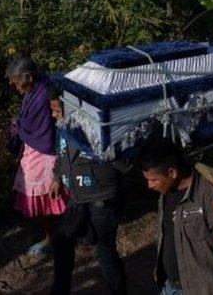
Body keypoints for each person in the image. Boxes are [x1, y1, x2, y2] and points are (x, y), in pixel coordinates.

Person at [48, 87, 129, 295]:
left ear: (72, 107)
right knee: (62, 240)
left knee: (104, 250)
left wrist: (101, 152)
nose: (54, 116)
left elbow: (124, 164)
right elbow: (62, 153)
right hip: (78, 196)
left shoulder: (97, 128)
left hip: (101, 198)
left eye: (57, 111)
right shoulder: (64, 127)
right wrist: (57, 177)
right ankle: (60, 290)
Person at [140, 138, 213, 295]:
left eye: (153, 180)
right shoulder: (165, 193)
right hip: (169, 286)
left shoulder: (208, 193)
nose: (149, 185)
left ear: (172, 173)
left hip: (201, 289)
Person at [7, 57, 67, 255]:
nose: (13, 85)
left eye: (16, 81)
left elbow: (40, 129)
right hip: (35, 150)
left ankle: (57, 239)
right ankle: (56, 237)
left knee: (49, 199)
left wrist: (19, 126)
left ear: (29, 77)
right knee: (46, 202)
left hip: (44, 152)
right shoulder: (35, 90)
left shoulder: (42, 96)